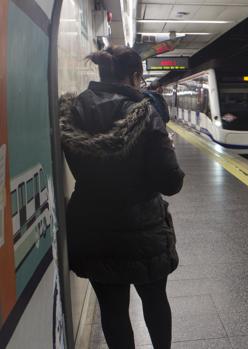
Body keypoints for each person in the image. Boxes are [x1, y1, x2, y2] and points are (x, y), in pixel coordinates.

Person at [59, 46, 184, 349]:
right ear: (134, 77)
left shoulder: (72, 112)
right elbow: (171, 182)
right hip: (142, 227)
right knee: (154, 301)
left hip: (93, 228)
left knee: (113, 311)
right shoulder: (145, 114)